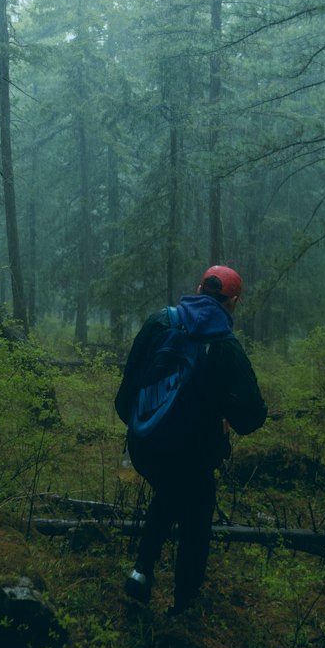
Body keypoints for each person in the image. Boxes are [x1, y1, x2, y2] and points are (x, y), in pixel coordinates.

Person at [114, 264, 267, 615]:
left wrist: (147, 427)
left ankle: (141, 571)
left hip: (144, 448)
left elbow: (126, 399)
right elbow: (252, 418)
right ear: (233, 303)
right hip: (193, 458)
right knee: (196, 514)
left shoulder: (158, 322)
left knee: (171, 491)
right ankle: (183, 605)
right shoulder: (227, 348)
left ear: (198, 288)